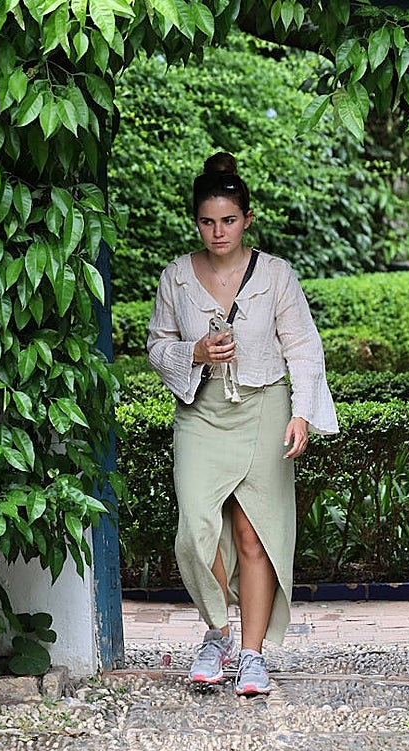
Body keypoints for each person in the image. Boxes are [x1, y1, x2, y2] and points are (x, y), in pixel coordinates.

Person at [147, 152, 339, 695]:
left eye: (228, 220)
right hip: (202, 413)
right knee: (196, 530)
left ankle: (251, 656)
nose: (218, 231)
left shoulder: (276, 275)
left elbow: (303, 347)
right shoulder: (177, 278)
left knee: (255, 538)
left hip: (264, 408)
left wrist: (302, 412)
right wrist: (196, 352)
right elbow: (156, 346)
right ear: (196, 222)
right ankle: (217, 631)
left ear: (247, 219)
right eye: (207, 221)